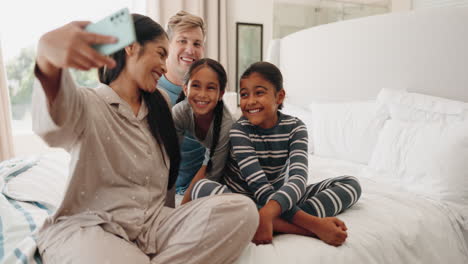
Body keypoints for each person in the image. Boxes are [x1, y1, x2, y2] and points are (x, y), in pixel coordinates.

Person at [32, 14, 258, 264]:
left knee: (243, 211)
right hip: (94, 227)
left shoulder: (160, 104)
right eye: (161, 54)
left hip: (153, 224)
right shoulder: (89, 102)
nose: (164, 66)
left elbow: (171, 184)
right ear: (131, 48)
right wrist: (47, 57)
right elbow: (53, 124)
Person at [190, 62, 362, 246]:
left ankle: (265, 222)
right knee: (201, 188)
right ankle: (289, 226)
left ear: (279, 96)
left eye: (259, 92)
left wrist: (268, 213)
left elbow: (298, 178)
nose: (250, 101)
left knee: (351, 184)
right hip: (241, 199)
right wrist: (316, 226)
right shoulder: (239, 130)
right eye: (245, 95)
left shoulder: (296, 127)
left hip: (279, 200)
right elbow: (259, 185)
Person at [157, 11, 207, 196]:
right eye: (182, 41)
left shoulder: (208, 93)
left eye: (197, 43)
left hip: (201, 190)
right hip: (162, 194)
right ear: (167, 45)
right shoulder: (150, 89)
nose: (190, 49)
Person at [172, 58, 234, 204]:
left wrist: (183, 207)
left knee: (251, 209)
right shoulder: (180, 112)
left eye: (210, 88)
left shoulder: (227, 126)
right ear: (185, 89)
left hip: (236, 171)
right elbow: (168, 157)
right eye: (196, 86)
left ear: (221, 94)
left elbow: (210, 174)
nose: (202, 94)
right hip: (214, 166)